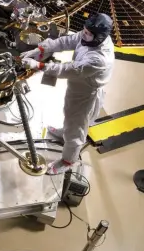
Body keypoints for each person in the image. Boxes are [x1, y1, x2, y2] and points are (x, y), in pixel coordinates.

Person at [21, 13, 115, 175]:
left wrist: (38, 65)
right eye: (84, 30)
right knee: (69, 113)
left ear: (99, 37)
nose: (83, 34)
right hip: (78, 86)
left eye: (88, 33)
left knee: (76, 126)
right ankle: (65, 133)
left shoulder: (99, 58)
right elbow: (68, 41)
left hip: (86, 93)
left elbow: (67, 69)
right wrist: (41, 49)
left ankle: (68, 160)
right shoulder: (90, 37)